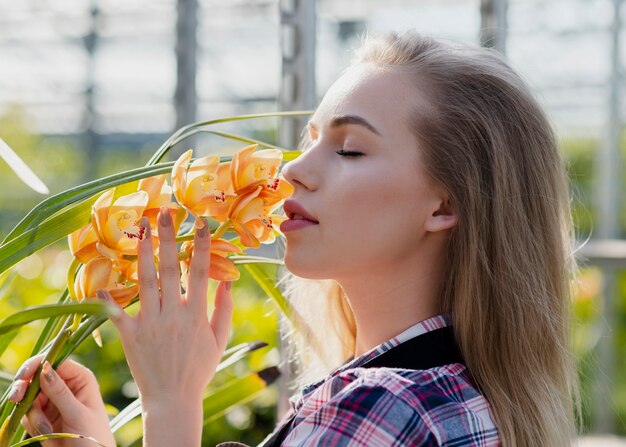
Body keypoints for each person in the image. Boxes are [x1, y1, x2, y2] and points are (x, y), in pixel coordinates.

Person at [7, 31, 578, 446]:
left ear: (445, 204)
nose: (291, 171)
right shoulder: (457, 395)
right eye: (309, 141)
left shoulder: (378, 409)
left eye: (349, 149)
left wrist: (170, 402)